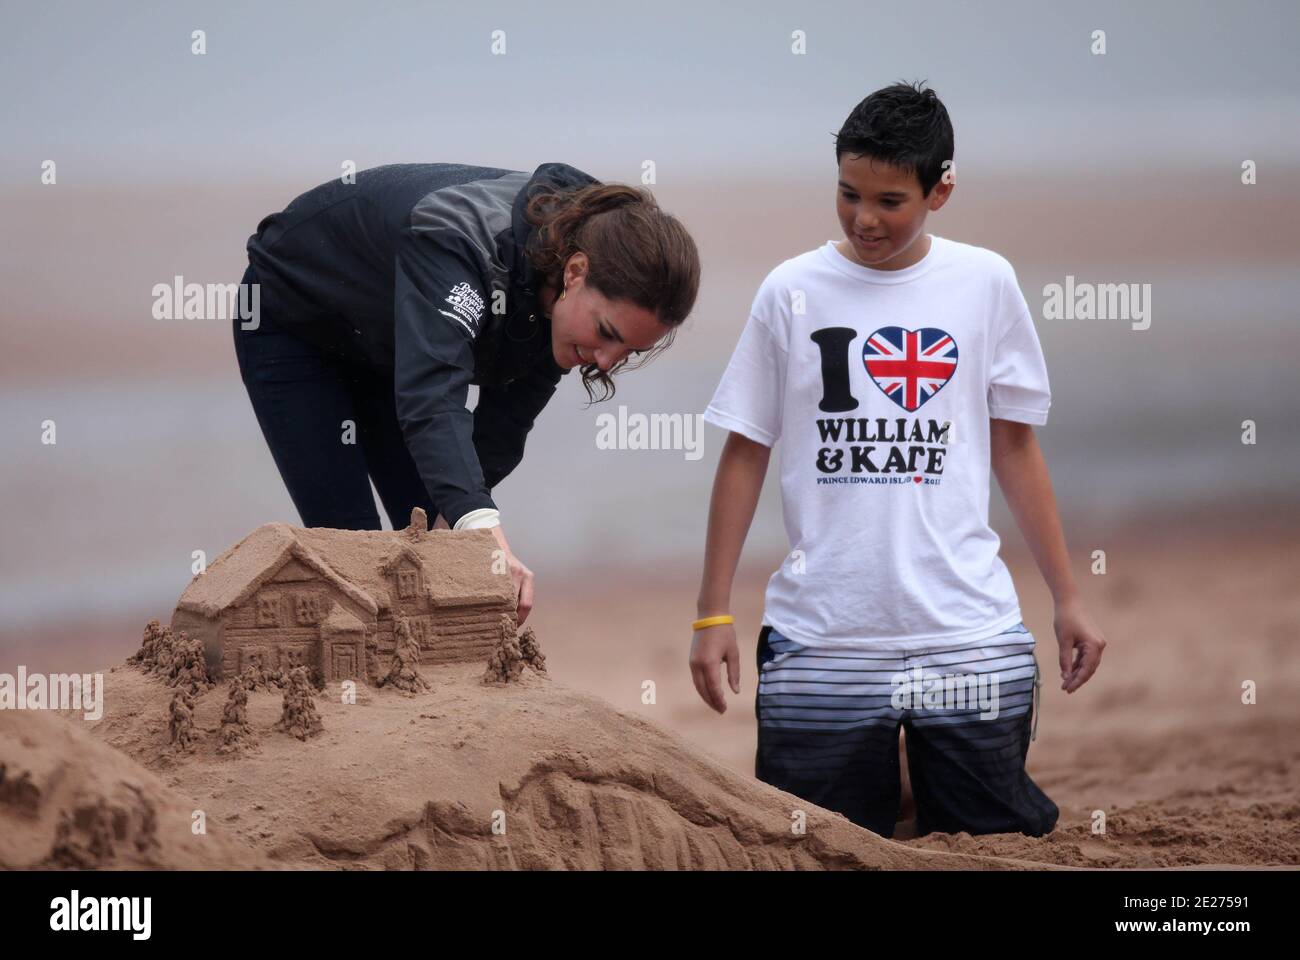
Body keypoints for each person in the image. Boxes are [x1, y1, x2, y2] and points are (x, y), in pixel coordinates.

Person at [690, 82, 1107, 839]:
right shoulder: (791, 291)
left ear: (940, 190)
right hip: (823, 640)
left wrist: (1067, 597)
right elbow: (746, 451)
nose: (863, 219)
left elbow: (1015, 447)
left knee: (993, 837)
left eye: (890, 201)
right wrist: (712, 613)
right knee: (816, 841)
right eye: (848, 194)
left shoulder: (985, 283)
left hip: (967, 630)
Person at [234, 163, 700, 624]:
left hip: (389, 343)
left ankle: (428, 687)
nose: (605, 360)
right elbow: (433, 394)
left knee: (430, 548)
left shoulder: (573, 274)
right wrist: (481, 529)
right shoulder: (463, 240)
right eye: (606, 332)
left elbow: (503, 429)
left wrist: (458, 531)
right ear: (575, 271)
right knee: (355, 552)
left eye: (628, 352)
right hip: (292, 320)